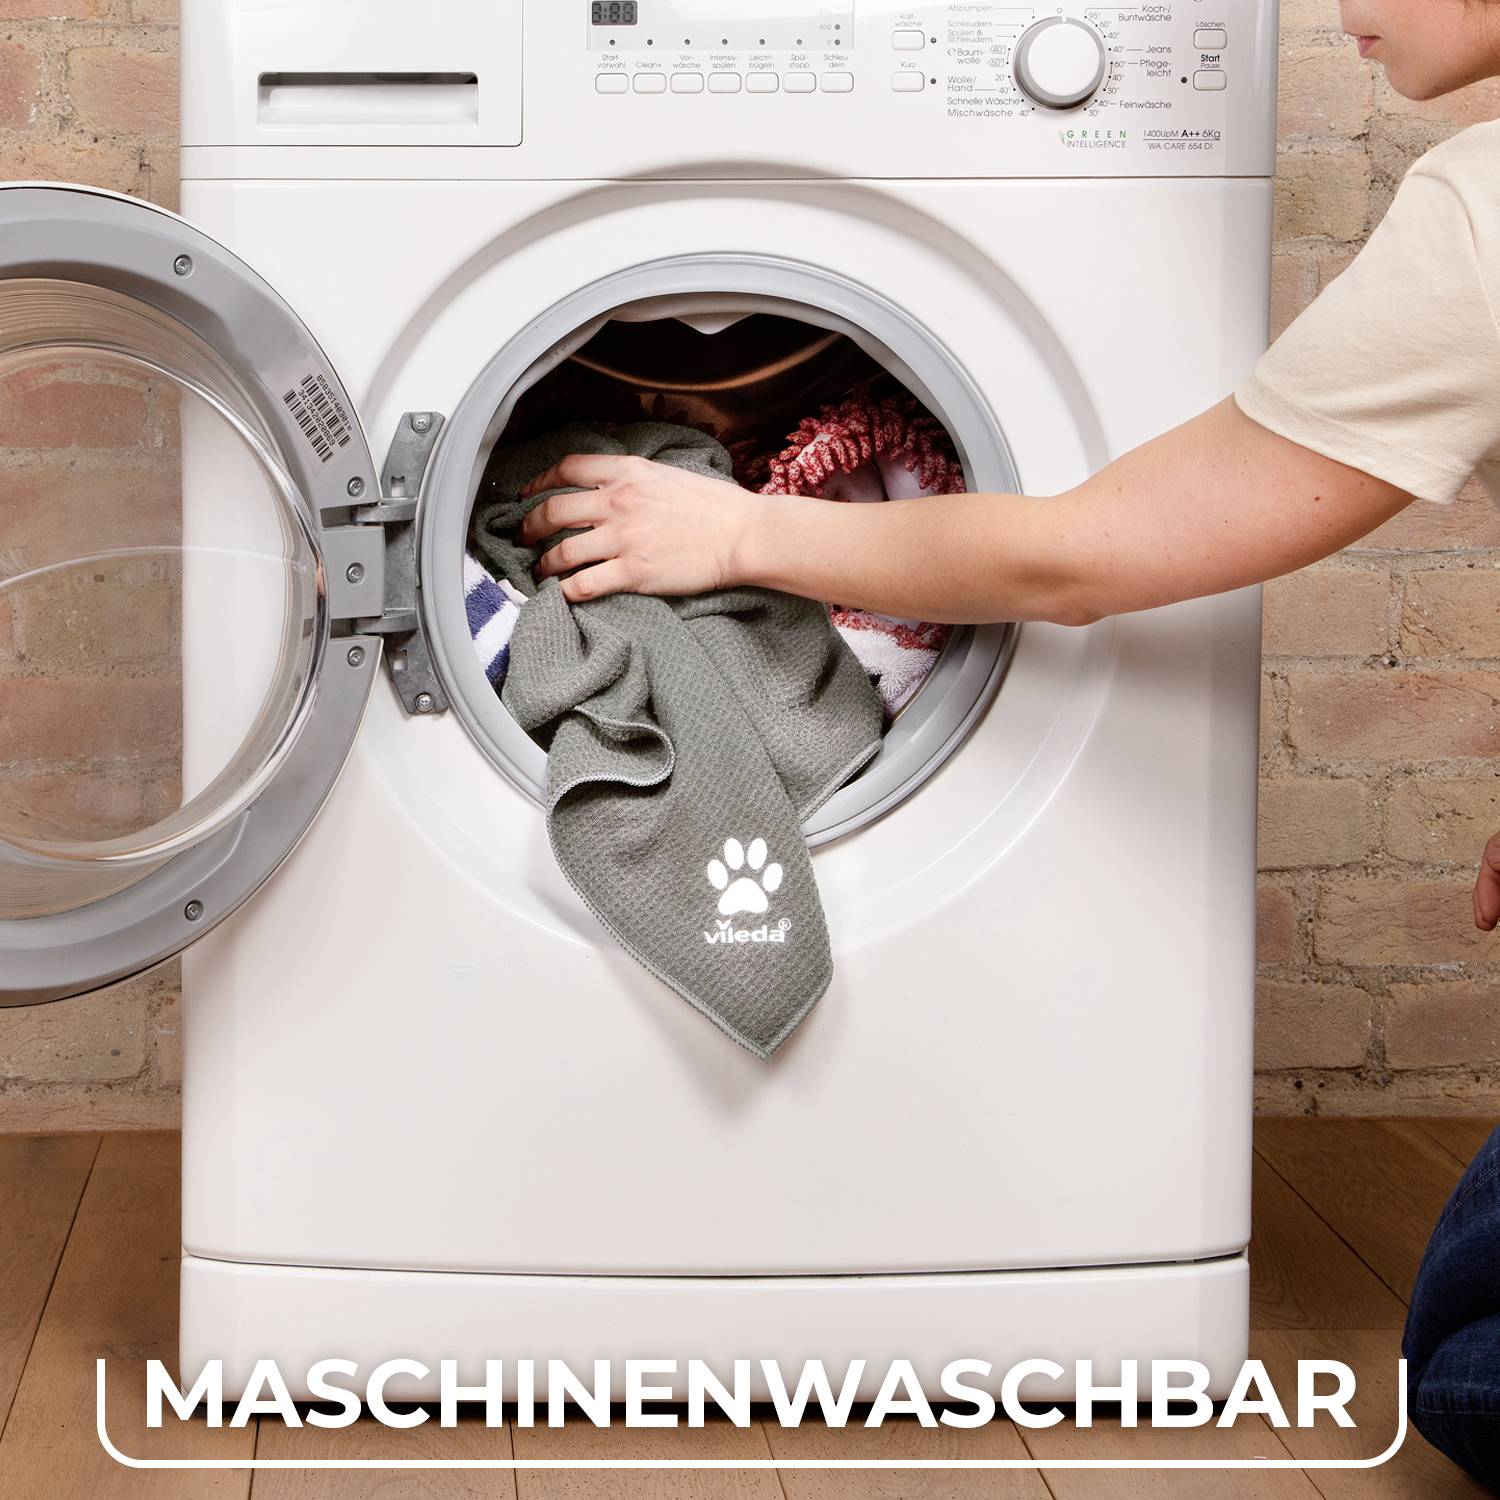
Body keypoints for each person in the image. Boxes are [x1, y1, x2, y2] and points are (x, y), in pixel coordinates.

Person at [515, 0, 1500, 1484]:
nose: (1338, 10)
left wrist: (734, 529)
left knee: (1471, 1373)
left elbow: (1081, 558)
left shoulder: (1483, 214)